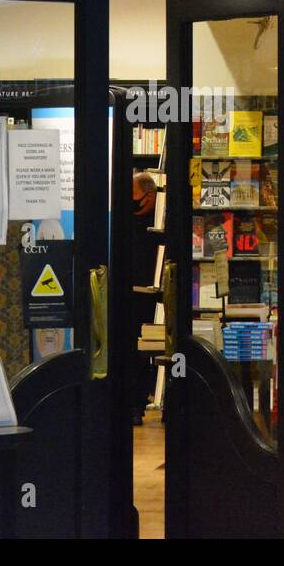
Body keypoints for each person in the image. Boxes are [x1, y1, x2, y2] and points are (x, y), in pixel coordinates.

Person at [130, 172, 159, 426]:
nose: (131, 200)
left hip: (154, 295)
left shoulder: (160, 222)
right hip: (131, 294)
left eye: (134, 194)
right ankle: (134, 405)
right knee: (132, 349)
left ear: (150, 196)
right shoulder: (127, 221)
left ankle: (143, 398)